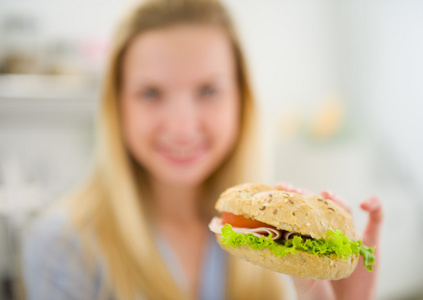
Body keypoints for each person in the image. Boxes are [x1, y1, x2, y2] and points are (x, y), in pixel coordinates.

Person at [22, 0, 383, 299]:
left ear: (242, 100)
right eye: (151, 93)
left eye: (208, 90)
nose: (181, 127)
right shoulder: (63, 247)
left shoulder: (274, 245)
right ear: (118, 106)